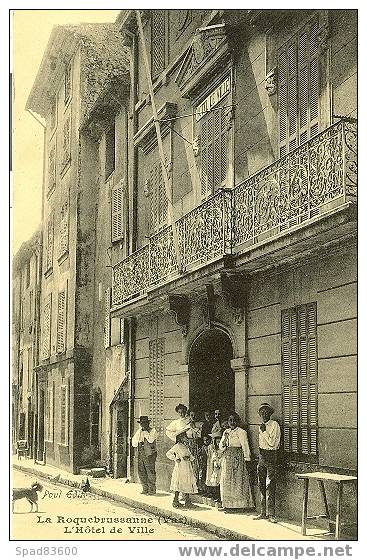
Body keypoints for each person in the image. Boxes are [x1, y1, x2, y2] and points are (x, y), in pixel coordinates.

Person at [219, 412, 254, 511]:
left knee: (237, 481)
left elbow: (245, 446)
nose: (232, 422)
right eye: (230, 420)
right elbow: (221, 447)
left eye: (234, 420)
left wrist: (247, 460)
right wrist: (225, 439)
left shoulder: (242, 432)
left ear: (237, 421)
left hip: (238, 458)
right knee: (226, 480)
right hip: (227, 457)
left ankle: (238, 505)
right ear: (228, 421)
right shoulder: (226, 432)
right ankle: (227, 505)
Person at [253, 403, 281, 523]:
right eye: (262, 413)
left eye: (266, 412)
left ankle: (271, 514)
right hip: (262, 456)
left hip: (271, 456)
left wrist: (264, 432)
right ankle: (263, 512)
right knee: (261, 484)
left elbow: (272, 443)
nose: (264, 415)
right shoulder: (261, 426)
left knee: (270, 484)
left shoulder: (274, 425)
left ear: (270, 413)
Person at [166, 427, 198, 508]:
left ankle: (187, 501)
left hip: (187, 467)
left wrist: (189, 458)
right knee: (179, 483)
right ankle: (175, 500)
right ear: (180, 437)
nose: (186, 438)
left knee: (187, 482)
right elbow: (168, 454)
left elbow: (191, 457)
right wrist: (176, 459)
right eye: (184, 436)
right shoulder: (177, 446)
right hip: (180, 467)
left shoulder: (185, 446)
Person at [131, 416, 158, 495]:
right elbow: (134, 442)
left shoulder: (153, 431)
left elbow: (151, 439)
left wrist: (145, 432)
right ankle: (145, 489)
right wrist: (139, 437)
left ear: (148, 423)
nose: (143, 425)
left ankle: (152, 490)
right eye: (142, 423)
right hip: (141, 453)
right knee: (141, 471)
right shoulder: (139, 431)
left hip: (150, 453)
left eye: (145, 423)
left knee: (150, 472)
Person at [205, 428, 223, 506]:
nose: (218, 442)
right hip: (217, 468)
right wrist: (215, 462)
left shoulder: (222, 449)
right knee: (216, 482)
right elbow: (214, 457)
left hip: (222, 466)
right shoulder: (214, 450)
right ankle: (216, 497)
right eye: (217, 440)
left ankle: (220, 497)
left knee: (221, 482)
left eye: (219, 440)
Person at [185, 409, 202, 483]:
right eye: (191, 415)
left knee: (197, 465)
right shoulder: (186, 425)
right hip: (189, 445)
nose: (193, 417)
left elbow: (200, 435)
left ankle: (197, 483)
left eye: (195, 415)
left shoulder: (200, 424)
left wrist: (194, 428)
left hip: (197, 445)